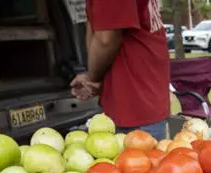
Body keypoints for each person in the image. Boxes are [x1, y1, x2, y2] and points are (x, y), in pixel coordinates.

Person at [70, 0, 170, 139]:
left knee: (140, 159)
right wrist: (93, 76)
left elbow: (106, 39)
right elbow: (95, 25)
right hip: (142, 94)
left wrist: (92, 78)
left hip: (135, 102)